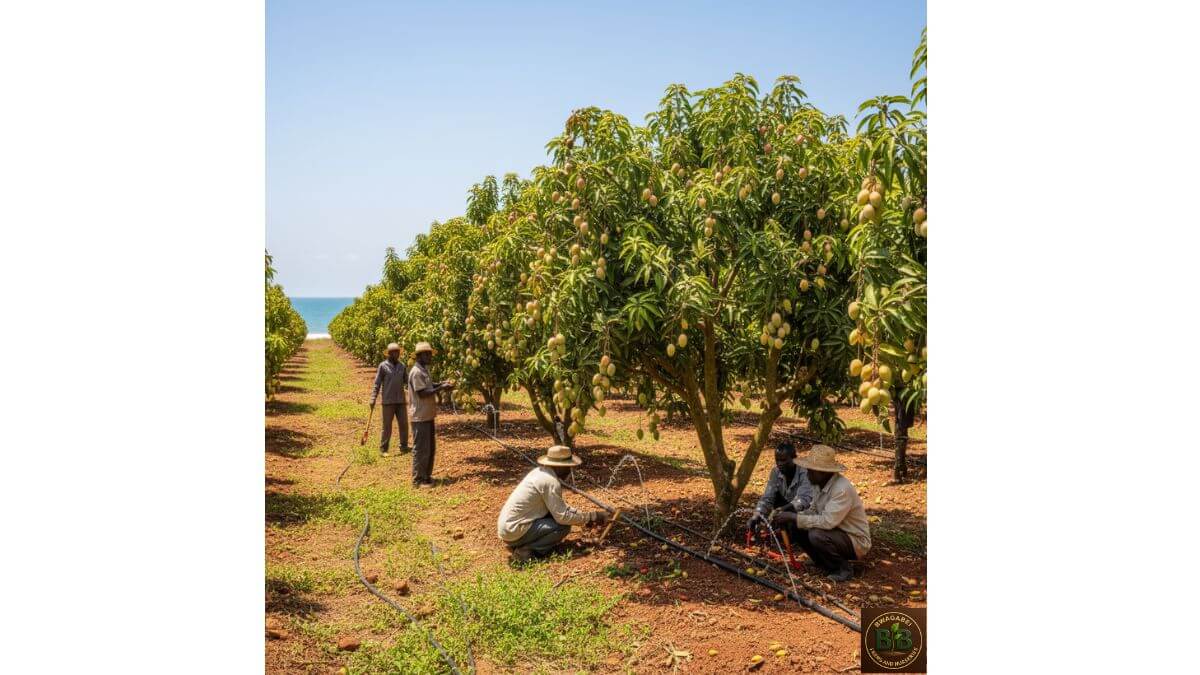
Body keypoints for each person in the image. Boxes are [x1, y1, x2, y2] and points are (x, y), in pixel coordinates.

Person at [771, 444, 871, 582]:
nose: (808, 473)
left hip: (854, 540)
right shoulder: (819, 484)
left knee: (816, 534)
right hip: (836, 532)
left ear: (823, 472)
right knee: (796, 525)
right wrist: (791, 516)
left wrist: (795, 517)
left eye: (811, 470)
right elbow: (813, 511)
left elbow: (827, 521)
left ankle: (843, 568)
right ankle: (821, 561)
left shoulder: (841, 489)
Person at [497, 445, 610, 564]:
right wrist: (592, 517)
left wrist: (588, 516)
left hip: (508, 530)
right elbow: (562, 517)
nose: (569, 471)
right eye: (567, 468)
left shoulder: (540, 473)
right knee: (562, 527)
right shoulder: (550, 482)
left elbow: (558, 508)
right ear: (559, 467)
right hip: (514, 532)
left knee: (556, 519)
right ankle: (527, 550)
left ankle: (524, 542)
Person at [407, 341, 453, 488]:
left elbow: (429, 386)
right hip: (420, 416)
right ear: (420, 356)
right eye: (427, 354)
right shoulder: (416, 372)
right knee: (421, 449)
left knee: (430, 448)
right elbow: (422, 393)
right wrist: (441, 388)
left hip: (428, 415)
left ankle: (426, 477)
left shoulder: (424, 370)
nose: (430, 356)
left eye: (430, 354)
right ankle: (418, 480)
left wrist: (441, 384)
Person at [746, 441, 813, 534]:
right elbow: (767, 498)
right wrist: (757, 515)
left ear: (794, 459)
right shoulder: (776, 472)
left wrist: (783, 510)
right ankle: (780, 528)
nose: (780, 463)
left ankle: (790, 531)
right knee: (774, 498)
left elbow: (803, 500)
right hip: (787, 507)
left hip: (806, 511)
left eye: (784, 460)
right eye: (777, 460)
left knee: (796, 526)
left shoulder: (805, 473)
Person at [370, 343, 409, 457]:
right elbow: (377, 384)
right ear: (389, 354)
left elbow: (407, 381)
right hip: (388, 401)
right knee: (387, 426)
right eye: (394, 352)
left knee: (403, 424)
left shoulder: (402, 366)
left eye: (398, 352)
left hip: (401, 400)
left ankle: (404, 446)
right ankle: (384, 449)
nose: (397, 354)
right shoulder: (383, 366)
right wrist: (373, 398)